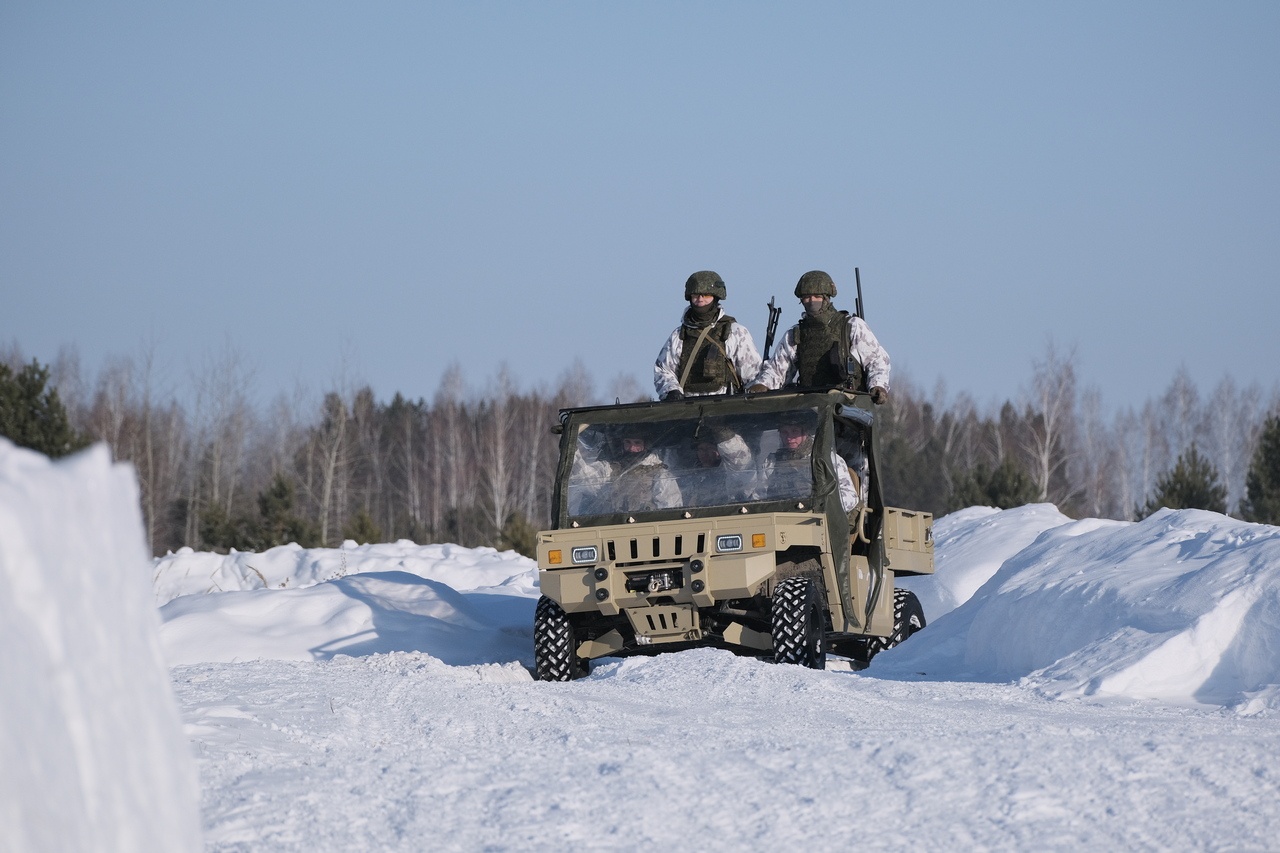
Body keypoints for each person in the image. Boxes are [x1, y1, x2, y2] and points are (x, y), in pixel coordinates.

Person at [749, 270, 890, 404]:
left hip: (849, 407)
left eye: (817, 297)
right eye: (806, 297)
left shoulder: (851, 327)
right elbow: (777, 369)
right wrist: (763, 385)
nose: (811, 301)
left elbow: (877, 360)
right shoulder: (796, 334)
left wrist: (878, 385)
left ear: (826, 298)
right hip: (812, 409)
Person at [654, 271, 762, 401]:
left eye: (706, 295)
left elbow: (753, 374)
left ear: (716, 296)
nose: (700, 299)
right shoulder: (679, 335)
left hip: (727, 409)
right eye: (695, 295)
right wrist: (672, 391)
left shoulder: (734, 332)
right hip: (687, 410)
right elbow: (663, 370)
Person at [569, 425, 682, 514]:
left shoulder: (659, 474)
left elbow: (671, 509)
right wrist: (571, 451)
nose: (632, 448)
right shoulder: (611, 469)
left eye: (637, 443)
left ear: (645, 445)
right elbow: (583, 478)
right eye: (628, 442)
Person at [761, 416, 858, 513]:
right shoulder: (772, 461)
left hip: (817, 518)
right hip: (780, 517)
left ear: (805, 433)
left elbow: (851, 497)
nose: (789, 438)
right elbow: (760, 493)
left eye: (795, 431)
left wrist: (820, 506)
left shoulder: (827, 459)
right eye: (784, 432)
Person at [679, 423, 756, 507]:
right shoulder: (692, 474)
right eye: (700, 449)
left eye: (708, 448)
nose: (704, 454)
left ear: (720, 451)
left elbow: (737, 458)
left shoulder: (732, 472)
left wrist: (720, 430)